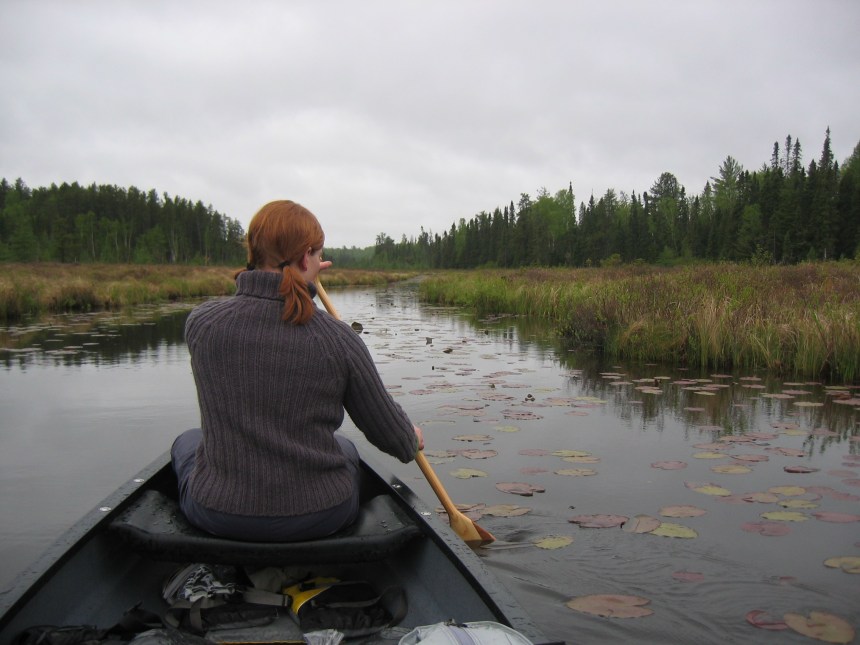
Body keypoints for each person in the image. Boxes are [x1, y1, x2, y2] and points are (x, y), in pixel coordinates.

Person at [171, 199, 424, 542]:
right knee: (345, 449)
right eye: (318, 255)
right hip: (320, 515)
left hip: (218, 512)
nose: (319, 262)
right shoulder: (337, 340)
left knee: (187, 441)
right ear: (307, 257)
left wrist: (302, 279)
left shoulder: (202, 324)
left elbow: (261, 317)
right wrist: (411, 439)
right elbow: (392, 438)